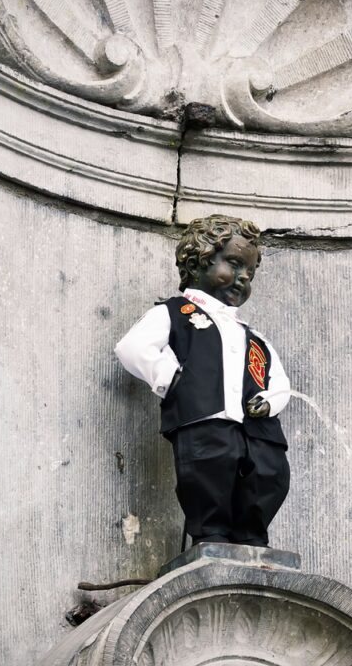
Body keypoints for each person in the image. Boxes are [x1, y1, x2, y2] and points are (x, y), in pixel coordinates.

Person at [115, 214, 291, 548]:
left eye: (249, 273)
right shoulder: (175, 312)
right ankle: (211, 536)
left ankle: (252, 538)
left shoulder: (255, 337)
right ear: (198, 263)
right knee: (207, 476)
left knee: (269, 477)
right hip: (204, 421)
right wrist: (173, 379)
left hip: (258, 432)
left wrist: (269, 401)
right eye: (234, 264)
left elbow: (279, 380)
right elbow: (132, 346)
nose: (241, 278)